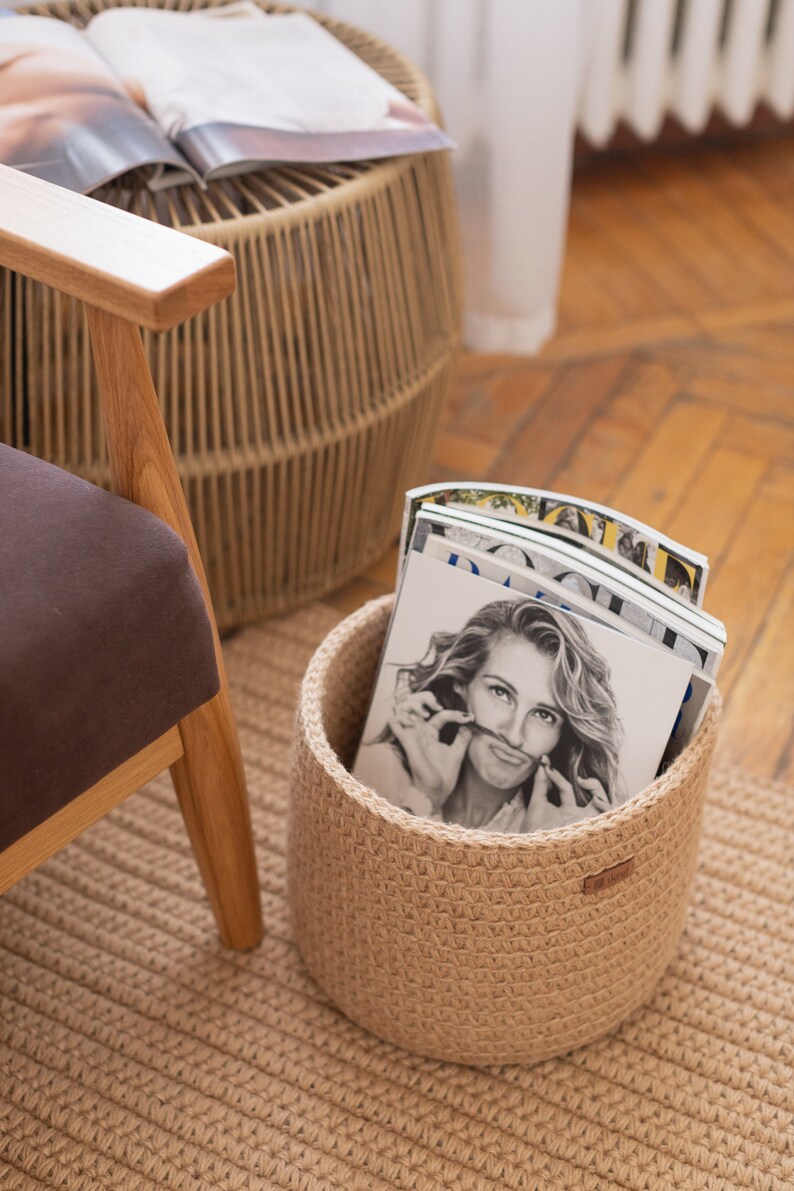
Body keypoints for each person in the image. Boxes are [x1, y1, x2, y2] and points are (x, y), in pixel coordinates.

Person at [356, 600, 624, 833]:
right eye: (500, 692)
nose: (513, 735)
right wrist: (426, 798)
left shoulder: (554, 825)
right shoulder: (380, 772)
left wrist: (544, 850)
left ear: (562, 734)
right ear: (462, 683)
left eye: (544, 715)